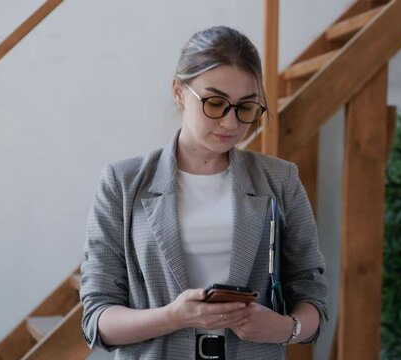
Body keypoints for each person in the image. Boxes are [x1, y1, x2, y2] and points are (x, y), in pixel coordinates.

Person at [80, 25, 328, 359]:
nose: (230, 122)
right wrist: (175, 316)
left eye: (246, 107)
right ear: (179, 92)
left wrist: (285, 328)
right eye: (214, 102)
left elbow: (312, 294)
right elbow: (97, 317)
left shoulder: (280, 180)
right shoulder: (123, 182)